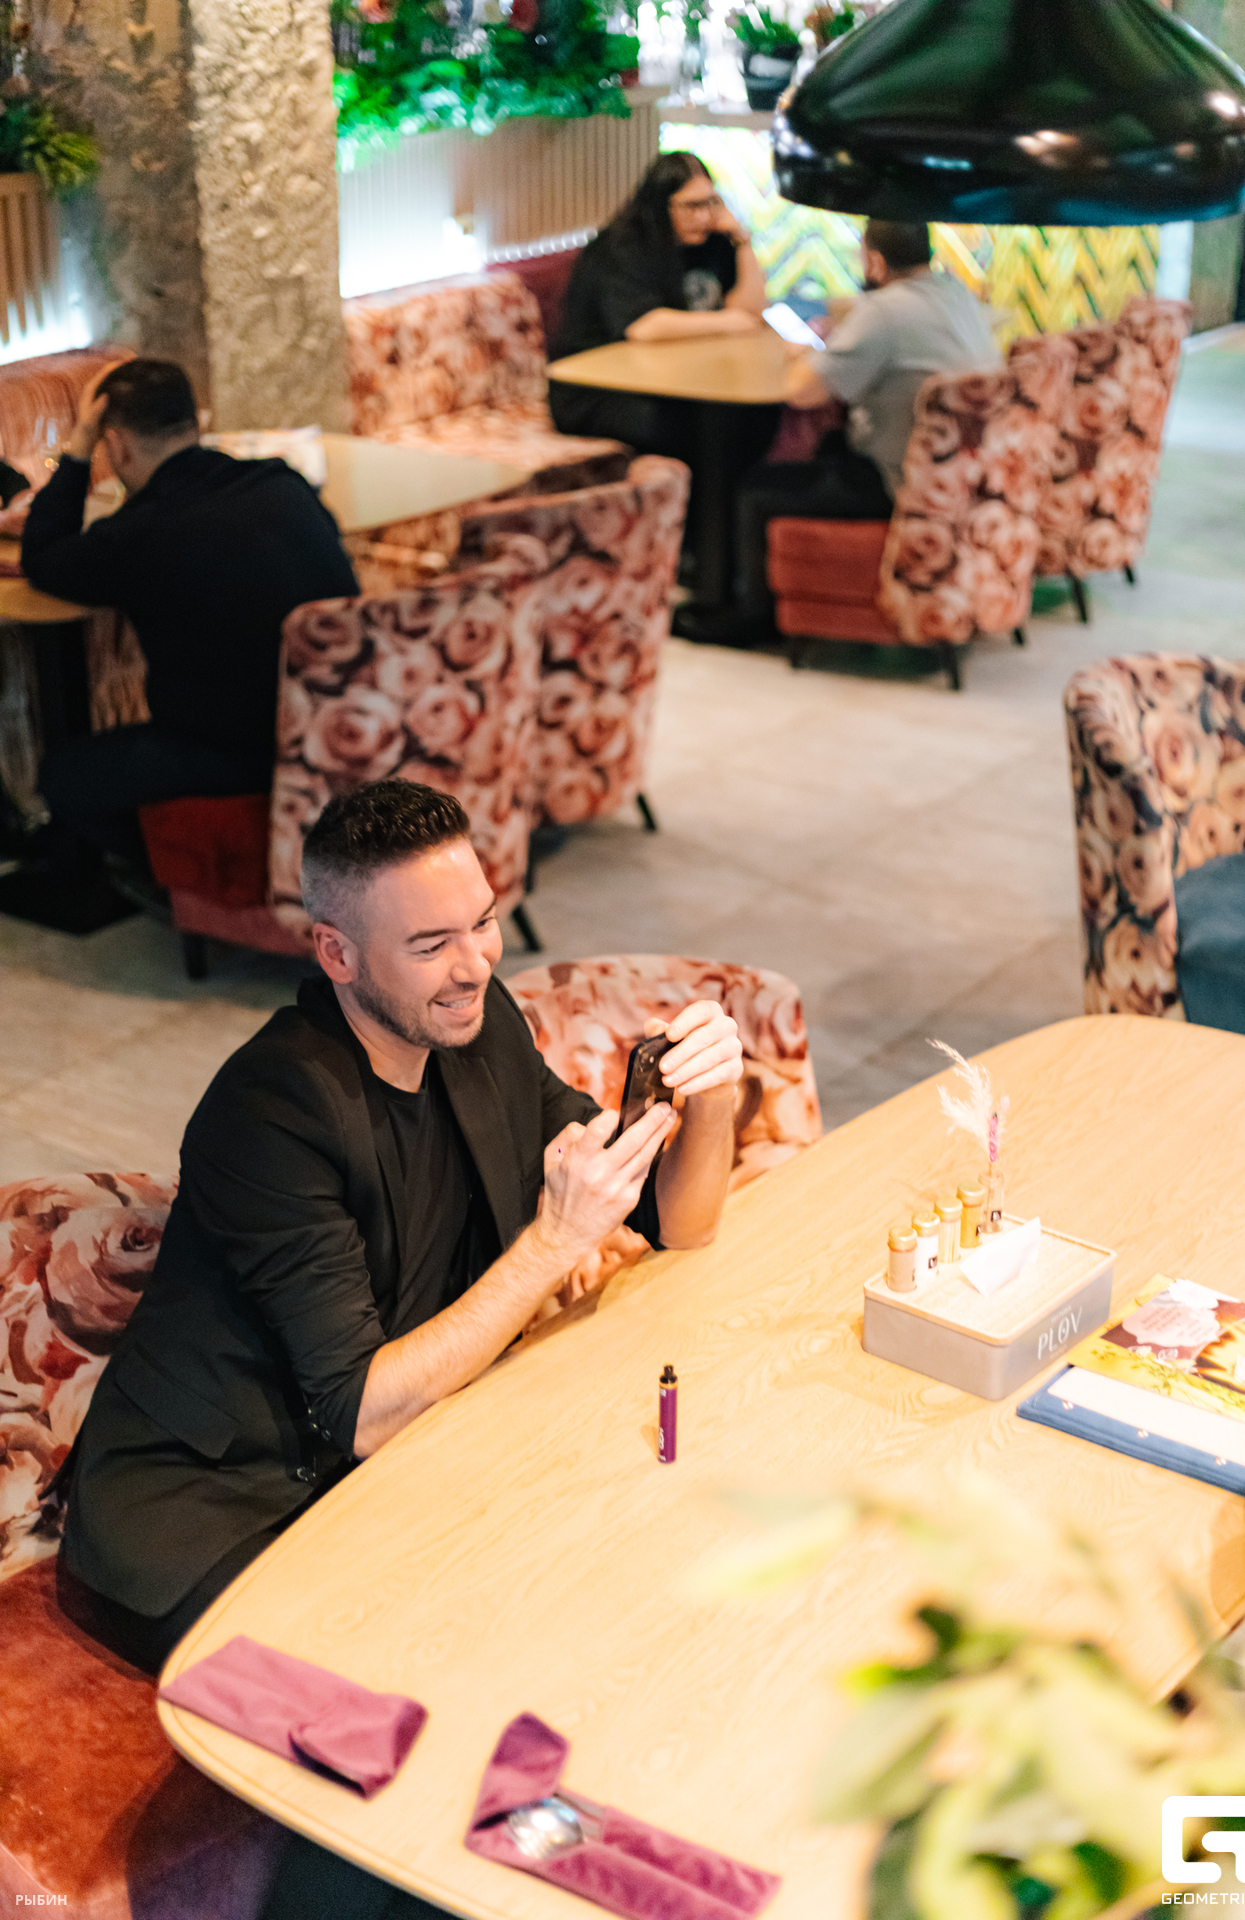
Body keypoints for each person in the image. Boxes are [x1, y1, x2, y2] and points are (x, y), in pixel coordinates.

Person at [56, 777, 742, 1919]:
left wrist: (708, 1099)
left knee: (590, 1630)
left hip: (382, 1480)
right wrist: (548, 1243)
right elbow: (364, 1412)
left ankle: (634, 1880)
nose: (474, 964)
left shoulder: (475, 1029)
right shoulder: (269, 1112)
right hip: (214, 1511)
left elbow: (683, 1221)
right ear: (336, 952)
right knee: (401, 1756)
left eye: (483, 922)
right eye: (430, 945)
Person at [17, 358, 358, 890]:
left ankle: (188, 880)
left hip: (237, 751)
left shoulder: (139, 535)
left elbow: (42, 559)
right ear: (195, 422)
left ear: (117, 445)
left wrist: (79, 447)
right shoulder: (283, 483)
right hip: (346, 721)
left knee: (65, 776)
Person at [731, 219, 1003, 635]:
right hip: (964, 481)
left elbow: (802, 392)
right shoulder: (955, 292)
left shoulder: (884, 312)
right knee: (826, 446)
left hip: (896, 483)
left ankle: (750, 620)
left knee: (757, 487)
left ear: (874, 261)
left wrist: (806, 354)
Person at [548, 150, 773, 470]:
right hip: (599, 392)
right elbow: (643, 326)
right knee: (689, 426)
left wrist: (742, 242)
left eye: (711, 202)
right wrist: (727, 321)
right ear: (660, 204)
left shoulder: (713, 242)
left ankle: (728, 503)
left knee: (752, 415)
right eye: (692, 206)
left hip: (672, 381)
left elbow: (750, 312)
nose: (704, 217)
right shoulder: (620, 247)